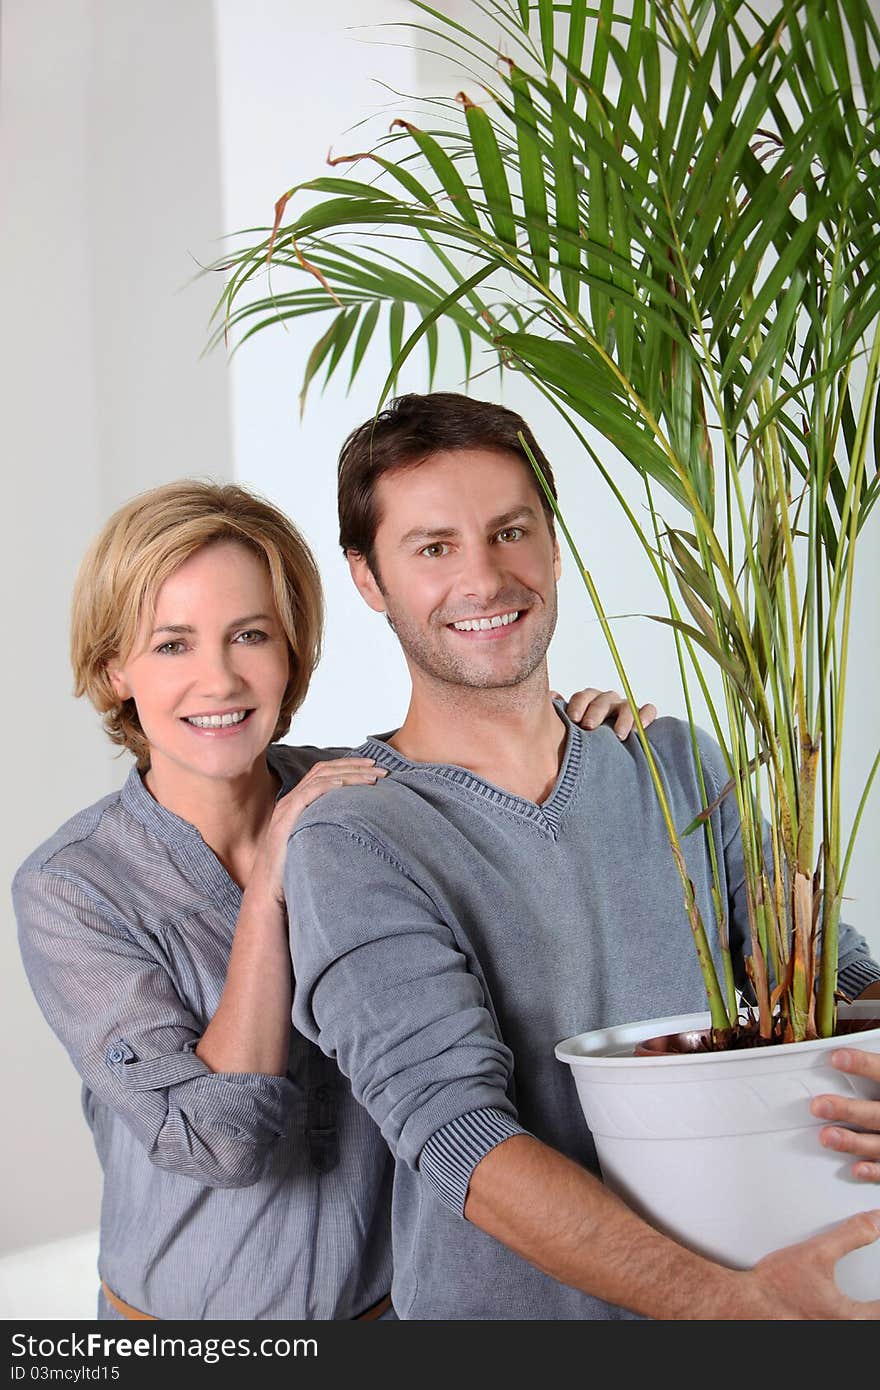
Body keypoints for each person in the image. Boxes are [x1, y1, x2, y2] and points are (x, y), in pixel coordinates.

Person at [283, 392, 880, 1321]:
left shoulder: (676, 761)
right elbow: (459, 1138)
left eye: (510, 531)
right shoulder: (355, 839)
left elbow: (834, 980)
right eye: (433, 548)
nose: (483, 579)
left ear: (554, 544)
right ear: (368, 578)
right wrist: (725, 1304)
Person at [12, 478, 646, 1322]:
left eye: (250, 635)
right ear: (113, 667)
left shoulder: (370, 800)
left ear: (293, 651)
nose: (220, 679)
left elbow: (526, 864)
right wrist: (272, 879)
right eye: (172, 645)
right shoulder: (72, 889)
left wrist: (578, 740)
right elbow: (220, 1142)